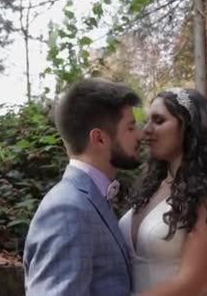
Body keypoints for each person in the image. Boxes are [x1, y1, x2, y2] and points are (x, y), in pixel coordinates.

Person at [23, 78, 143, 296]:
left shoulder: (90, 198)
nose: (140, 135)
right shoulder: (67, 210)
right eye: (130, 127)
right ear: (99, 138)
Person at [119, 87, 207, 296]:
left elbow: (190, 283)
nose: (146, 130)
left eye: (159, 121)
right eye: (148, 121)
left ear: (188, 128)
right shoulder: (154, 184)